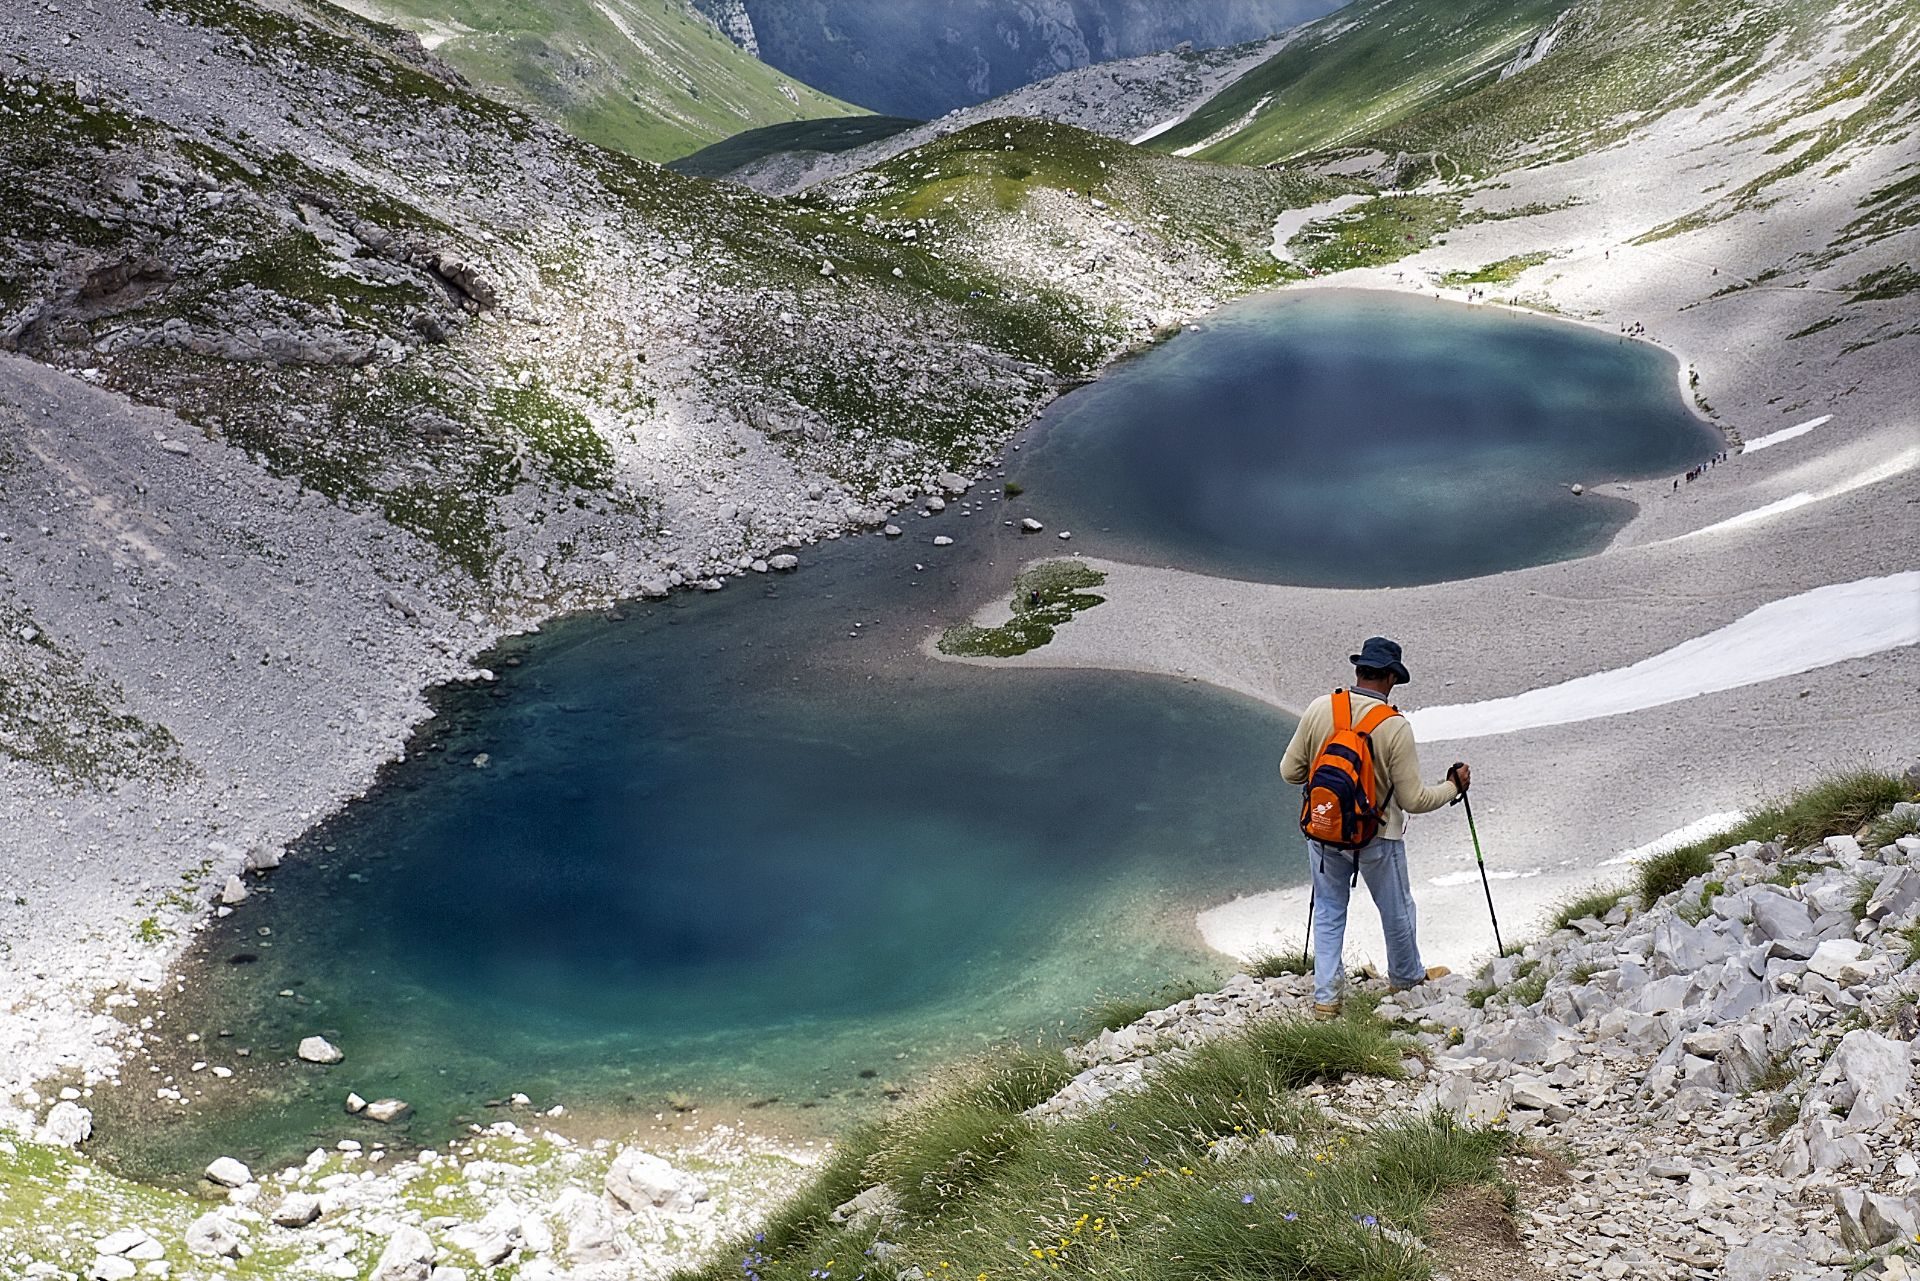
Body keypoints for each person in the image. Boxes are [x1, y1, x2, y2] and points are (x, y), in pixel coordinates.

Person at [1280, 637, 1468, 1016]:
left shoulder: (1320, 708)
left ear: (1358, 670)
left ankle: (1326, 998)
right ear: (1391, 679)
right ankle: (1406, 979)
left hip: (1324, 829)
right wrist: (1453, 786)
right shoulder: (1394, 726)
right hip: (1378, 836)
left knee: (1329, 909)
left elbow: (1289, 772)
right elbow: (1414, 800)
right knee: (1396, 908)